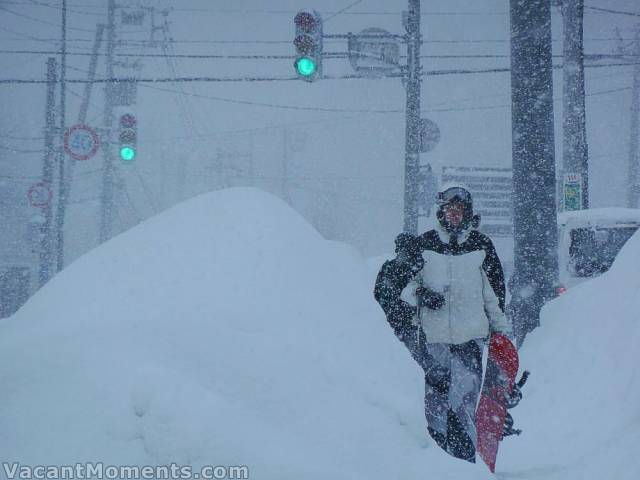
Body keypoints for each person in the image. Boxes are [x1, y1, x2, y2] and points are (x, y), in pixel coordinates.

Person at [374, 184, 517, 463]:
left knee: (464, 403)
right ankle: (439, 464)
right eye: (449, 210)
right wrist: (422, 295)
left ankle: (465, 464)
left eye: (459, 210)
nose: (453, 215)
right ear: (441, 212)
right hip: (433, 341)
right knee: (434, 405)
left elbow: (494, 296)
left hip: (469, 341)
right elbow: (407, 288)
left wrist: (501, 333)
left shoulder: (481, 247)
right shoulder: (425, 245)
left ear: (468, 213)